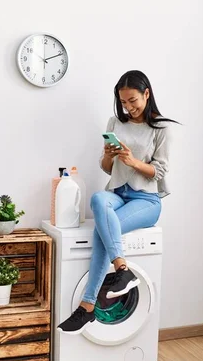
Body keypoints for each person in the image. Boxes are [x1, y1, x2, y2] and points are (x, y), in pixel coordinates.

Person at [57, 70, 178, 334]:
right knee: (99, 198)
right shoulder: (115, 122)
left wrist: (133, 161)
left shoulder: (161, 128)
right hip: (118, 194)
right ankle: (122, 269)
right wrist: (109, 156)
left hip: (146, 200)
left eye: (133, 100)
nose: (129, 107)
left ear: (147, 94)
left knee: (103, 232)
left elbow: (159, 172)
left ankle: (87, 307)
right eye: (124, 102)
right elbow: (106, 168)